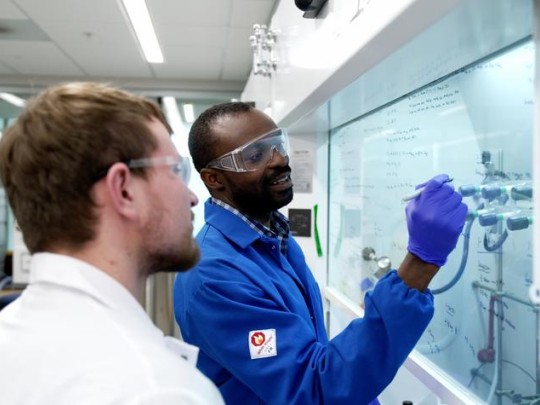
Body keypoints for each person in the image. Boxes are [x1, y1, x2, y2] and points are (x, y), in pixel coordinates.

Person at [173, 101, 468, 404]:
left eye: (277, 144)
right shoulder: (214, 276)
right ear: (214, 178)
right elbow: (312, 388)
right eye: (255, 155)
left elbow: (315, 356)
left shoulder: (274, 236)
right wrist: (420, 263)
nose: (278, 159)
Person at [0, 82, 224, 404]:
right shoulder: (160, 390)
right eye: (176, 170)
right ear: (123, 189)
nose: (191, 197)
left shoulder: (10, 335)